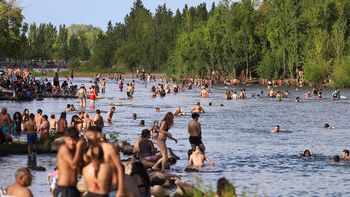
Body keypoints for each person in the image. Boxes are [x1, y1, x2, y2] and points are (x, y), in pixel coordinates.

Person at [84, 126, 125, 197]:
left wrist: (121, 189)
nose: (88, 138)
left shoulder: (108, 148)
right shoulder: (89, 150)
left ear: (98, 135)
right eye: (87, 136)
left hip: (112, 188)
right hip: (95, 189)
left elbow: (119, 167)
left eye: (90, 135)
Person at [54, 128, 84, 197]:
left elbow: (81, 166)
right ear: (64, 139)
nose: (71, 142)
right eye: (69, 140)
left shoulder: (75, 151)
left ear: (78, 139)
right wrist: (79, 148)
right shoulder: (64, 149)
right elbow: (73, 165)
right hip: (64, 188)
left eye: (74, 140)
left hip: (73, 188)